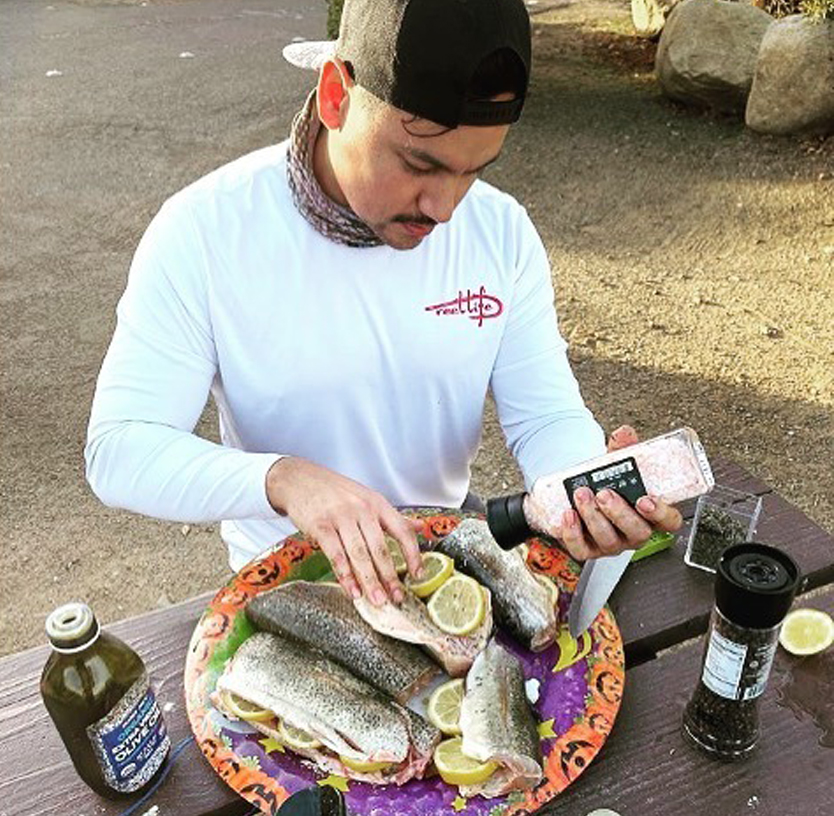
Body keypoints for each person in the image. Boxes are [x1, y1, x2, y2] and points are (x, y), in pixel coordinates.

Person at [85, 0, 681, 608]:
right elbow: (121, 448)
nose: (444, 208)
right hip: (291, 582)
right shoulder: (207, 232)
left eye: (474, 171)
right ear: (335, 96)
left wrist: (585, 487)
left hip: (444, 563)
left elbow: (546, 416)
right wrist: (284, 479)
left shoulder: (500, 232)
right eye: (421, 163)